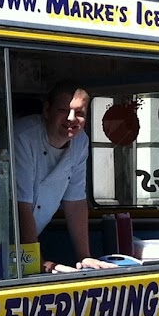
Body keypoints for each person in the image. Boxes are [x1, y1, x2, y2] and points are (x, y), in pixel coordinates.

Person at [14, 82, 115, 270]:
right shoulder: (22, 137)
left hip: (29, 241)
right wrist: (39, 263)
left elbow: (75, 201)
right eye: (63, 110)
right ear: (46, 110)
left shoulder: (80, 142)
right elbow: (21, 206)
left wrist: (85, 257)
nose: (71, 118)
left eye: (79, 113)